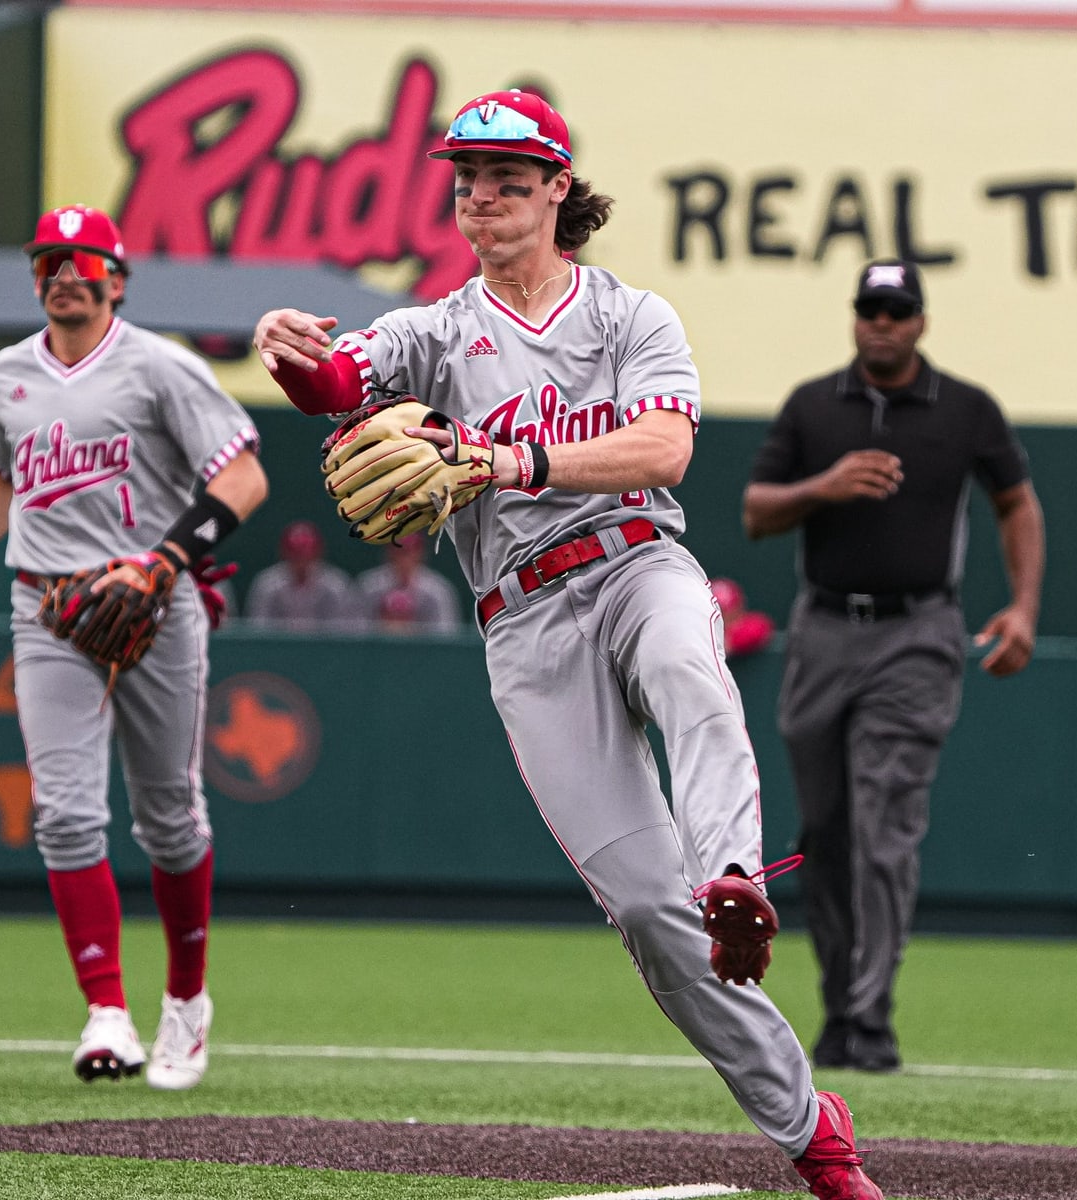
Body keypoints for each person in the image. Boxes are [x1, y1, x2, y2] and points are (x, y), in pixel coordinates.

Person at [251, 88, 883, 1200]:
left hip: (635, 561)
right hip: (525, 622)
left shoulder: (630, 315)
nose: (479, 196)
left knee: (691, 660)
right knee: (645, 910)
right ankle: (807, 1125)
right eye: (465, 179)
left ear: (556, 189)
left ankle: (734, 874)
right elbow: (337, 384)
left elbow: (665, 451)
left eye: (504, 177)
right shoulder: (438, 329)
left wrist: (511, 464)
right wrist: (286, 347)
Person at [0, 204, 269, 1090]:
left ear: (117, 278)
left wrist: (163, 560)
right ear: (36, 278)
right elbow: (3, 476)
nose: (66, 274)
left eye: (84, 261)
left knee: (169, 816)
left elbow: (244, 475)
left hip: (153, 601)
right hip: (46, 605)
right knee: (66, 814)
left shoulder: (161, 366)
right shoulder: (8, 374)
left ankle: (187, 1002)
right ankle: (105, 1011)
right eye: (50, 261)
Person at [742, 259, 1044, 1073]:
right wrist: (827, 485)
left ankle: (870, 1018)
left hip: (919, 633)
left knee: (886, 825)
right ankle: (843, 1005)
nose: (883, 322)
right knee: (828, 832)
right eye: (871, 309)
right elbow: (756, 512)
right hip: (824, 630)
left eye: (897, 310)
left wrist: (1022, 607)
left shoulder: (966, 409)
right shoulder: (814, 405)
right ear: (854, 318)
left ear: (920, 321)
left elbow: (1017, 501)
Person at [244, 519, 360, 631]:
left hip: (325, 649)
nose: (301, 561)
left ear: (318, 552)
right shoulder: (267, 583)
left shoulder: (335, 584)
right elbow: (258, 629)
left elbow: (345, 631)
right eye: (295, 554)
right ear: (283, 553)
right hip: (277, 649)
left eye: (306, 554)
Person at [357, 535, 463, 633]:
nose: (404, 558)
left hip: (424, 652)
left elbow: (446, 635)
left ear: (420, 553)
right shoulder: (369, 586)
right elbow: (354, 630)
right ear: (389, 552)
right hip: (375, 651)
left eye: (409, 552)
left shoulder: (437, 591)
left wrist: (412, 631)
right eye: (398, 551)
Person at [708, 576, 776, 657]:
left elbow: (760, 626)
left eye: (727, 612)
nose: (723, 617)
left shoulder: (752, 624)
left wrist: (728, 642)